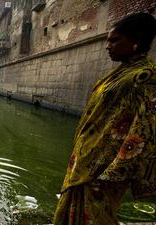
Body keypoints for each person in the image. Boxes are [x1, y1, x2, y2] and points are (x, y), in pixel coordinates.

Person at [53, 12, 156, 225]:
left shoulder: (145, 76)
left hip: (104, 168)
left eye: (115, 40)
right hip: (86, 159)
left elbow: (145, 128)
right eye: (107, 40)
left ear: (137, 39)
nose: (108, 46)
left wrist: (115, 170)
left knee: (97, 216)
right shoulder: (121, 73)